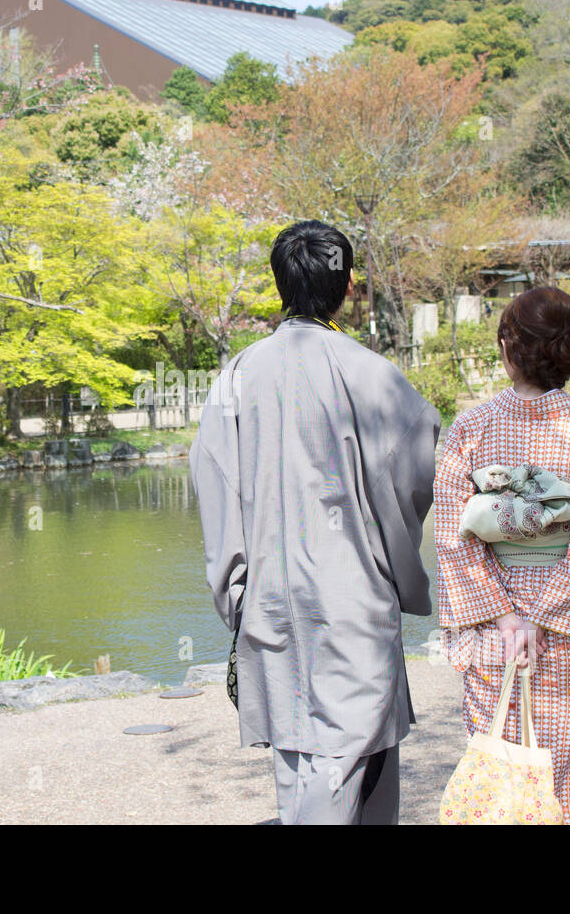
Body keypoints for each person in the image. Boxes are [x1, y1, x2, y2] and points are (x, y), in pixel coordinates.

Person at [189, 220, 441, 825]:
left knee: (305, 760)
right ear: (349, 286)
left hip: (272, 598)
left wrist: (236, 588)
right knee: (347, 766)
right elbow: (414, 475)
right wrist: (394, 565)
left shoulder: (237, 377)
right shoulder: (374, 376)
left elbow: (214, 483)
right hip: (353, 597)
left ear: (280, 283)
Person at [432, 285, 570, 825]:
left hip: (493, 633)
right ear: (569, 353)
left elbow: (454, 536)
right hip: (567, 633)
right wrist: (542, 616)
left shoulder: (468, 430)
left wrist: (507, 614)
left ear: (507, 348)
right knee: (563, 771)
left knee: (499, 768)